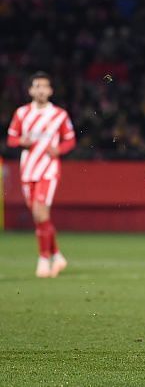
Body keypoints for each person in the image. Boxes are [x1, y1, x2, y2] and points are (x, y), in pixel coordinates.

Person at [6, 71, 76, 278]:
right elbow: (11, 139)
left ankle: (44, 259)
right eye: (37, 86)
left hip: (48, 169)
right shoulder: (21, 113)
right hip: (27, 170)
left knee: (39, 212)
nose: (41, 90)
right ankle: (57, 256)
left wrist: (59, 150)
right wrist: (21, 142)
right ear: (30, 90)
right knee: (40, 217)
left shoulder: (59, 115)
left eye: (44, 86)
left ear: (51, 90)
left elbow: (70, 140)